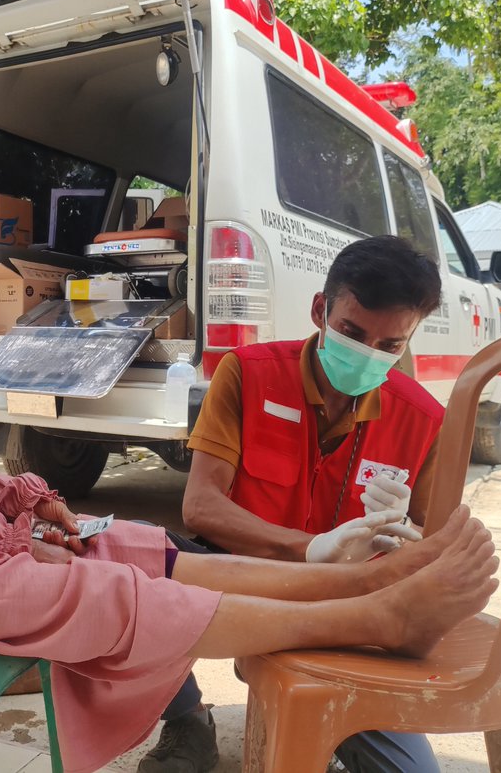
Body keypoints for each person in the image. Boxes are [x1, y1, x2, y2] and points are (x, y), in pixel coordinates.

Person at [0, 133, 499, 773]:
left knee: (119, 540)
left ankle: (360, 578)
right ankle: (376, 611)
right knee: (101, 590)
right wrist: (9, 537)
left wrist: (18, 499)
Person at [144, 236, 448, 773]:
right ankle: (187, 718)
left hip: (348, 606)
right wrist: (310, 550)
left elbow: (434, 549)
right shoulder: (248, 372)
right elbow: (202, 507)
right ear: (319, 310)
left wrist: (408, 535)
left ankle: (332, 734)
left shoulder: (423, 418)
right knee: (125, 560)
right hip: (241, 575)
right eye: (353, 333)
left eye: (390, 345)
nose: (367, 354)